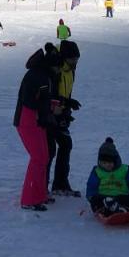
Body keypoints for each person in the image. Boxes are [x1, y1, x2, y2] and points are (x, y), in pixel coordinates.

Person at [13, 46, 56, 211]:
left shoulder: (41, 75)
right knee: (38, 158)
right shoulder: (39, 76)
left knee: (44, 157)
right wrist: (46, 110)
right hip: (28, 120)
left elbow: (41, 99)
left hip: (36, 120)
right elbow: (29, 100)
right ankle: (29, 200)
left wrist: (49, 107)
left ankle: (40, 195)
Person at [47, 40, 82, 197]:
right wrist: (66, 102)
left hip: (61, 112)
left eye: (77, 59)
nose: (75, 62)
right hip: (50, 114)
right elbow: (51, 94)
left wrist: (67, 110)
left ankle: (60, 184)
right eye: (72, 59)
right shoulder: (56, 69)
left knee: (65, 145)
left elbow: (66, 92)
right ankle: (43, 186)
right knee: (50, 150)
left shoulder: (70, 70)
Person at [86, 138, 129, 216]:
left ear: (116, 161)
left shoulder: (125, 169)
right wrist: (91, 197)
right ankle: (111, 210)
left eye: (110, 162)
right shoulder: (97, 171)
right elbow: (92, 186)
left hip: (120, 197)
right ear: (99, 162)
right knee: (96, 200)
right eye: (104, 163)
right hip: (104, 198)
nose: (107, 165)